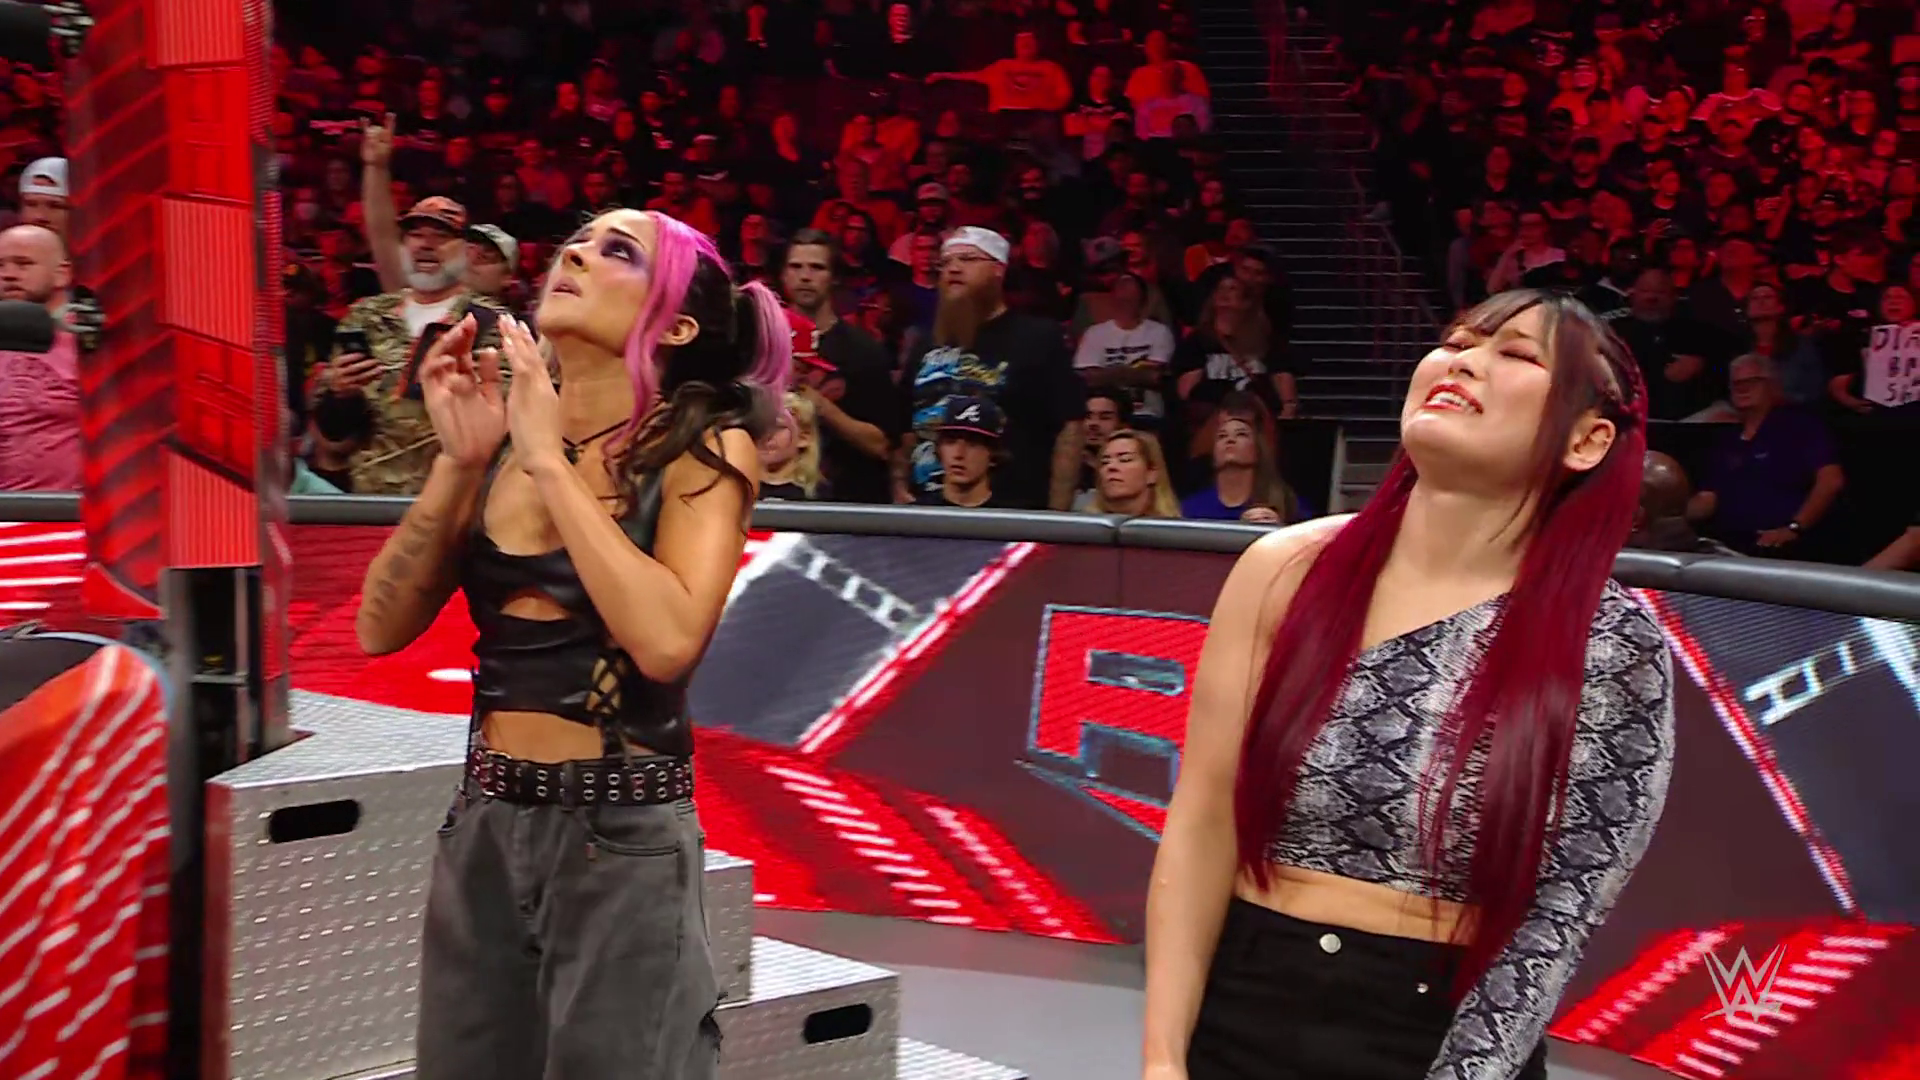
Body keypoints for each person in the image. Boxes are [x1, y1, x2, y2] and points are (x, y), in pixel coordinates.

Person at [1144, 290, 1673, 1080]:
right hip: (1242, 1008)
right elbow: (1202, 824)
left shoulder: (1611, 641)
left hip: (1437, 1035)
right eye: (1456, 341)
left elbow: (1560, 914)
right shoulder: (1285, 571)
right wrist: (1162, 1060)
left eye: (1515, 353)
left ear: (1588, 438)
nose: (1463, 361)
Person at [354, 208, 791, 1080]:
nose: (579, 254)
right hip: (484, 822)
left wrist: (549, 461)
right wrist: (461, 461)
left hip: (619, 834)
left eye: (617, 251)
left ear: (677, 324)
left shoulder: (704, 446)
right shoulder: (503, 446)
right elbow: (379, 627)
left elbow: (667, 641)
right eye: (577, 243)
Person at [896, 227, 1084, 509]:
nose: (953, 268)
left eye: (967, 259)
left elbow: (1070, 429)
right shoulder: (926, 342)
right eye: (945, 262)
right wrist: (899, 485)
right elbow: (903, 427)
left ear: (998, 269)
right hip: (928, 509)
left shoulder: (1038, 338)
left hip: (1010, 510)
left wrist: (1058, 515)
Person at [0, 224, 79, 491]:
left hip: (67, 508)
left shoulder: (89, 341)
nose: (8, 274)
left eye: (23, 264)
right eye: (0, 265)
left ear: (62, 274)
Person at [915, 395, 1011, 508]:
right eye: (950, 442)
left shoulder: (1013, 516)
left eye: (973, 444)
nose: (958, 454)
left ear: (993, 453)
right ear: (939, 449)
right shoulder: (916, 514)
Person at [1086, 429, 1180, 518]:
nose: (1111, 466)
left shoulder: (1172, 528)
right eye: (1105, 462)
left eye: (1125, 459)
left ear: (1152, 473)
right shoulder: (1084, 524)